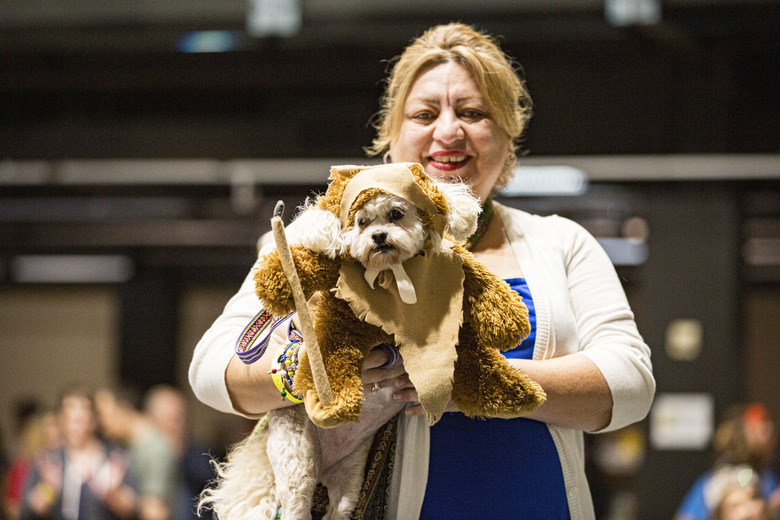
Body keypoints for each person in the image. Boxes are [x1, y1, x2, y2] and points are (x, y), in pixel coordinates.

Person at [189, 22, 655, 519]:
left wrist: (481, 382)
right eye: (424, 114)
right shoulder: (326, 239)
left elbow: (630, 384)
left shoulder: (560, 242)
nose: (448, 131)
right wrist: (316, 370)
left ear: (506, 135)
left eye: (473, 113)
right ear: (391, 138)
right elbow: (212, 371)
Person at [18, 387, 136, 520]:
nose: (76, 422)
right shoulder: (49, 461)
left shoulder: (115, 459)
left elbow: (132, 511)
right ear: (61, 420)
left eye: (82, 415)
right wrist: (48, 490)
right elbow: (26, 512)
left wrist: (113, 494)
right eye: (70, 415)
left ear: (94, 420)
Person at [676, 403, 780, 520]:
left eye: (754, 500)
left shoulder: (770, 479)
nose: (747, 511)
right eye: (736, 506)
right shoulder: (714, 482)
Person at [95, 388, 177, 520]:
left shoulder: (153, 449)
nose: (102, 423)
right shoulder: (128, 445)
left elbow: (156, 512)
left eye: (104, 415)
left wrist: (126, 502)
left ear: (124, 409)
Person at [143, 386, 215, 520]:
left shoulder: (200, 454)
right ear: (153, 419)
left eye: (180, 417)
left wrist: (179, 453)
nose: (177, 425)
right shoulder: (142, 455)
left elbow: (210, 484)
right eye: (171, 419)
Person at [3, 410, 61, 519]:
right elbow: (13, 508)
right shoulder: (25, 465)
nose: (54, 434)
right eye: (49, 431)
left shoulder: (66, 460)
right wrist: (48, 489)